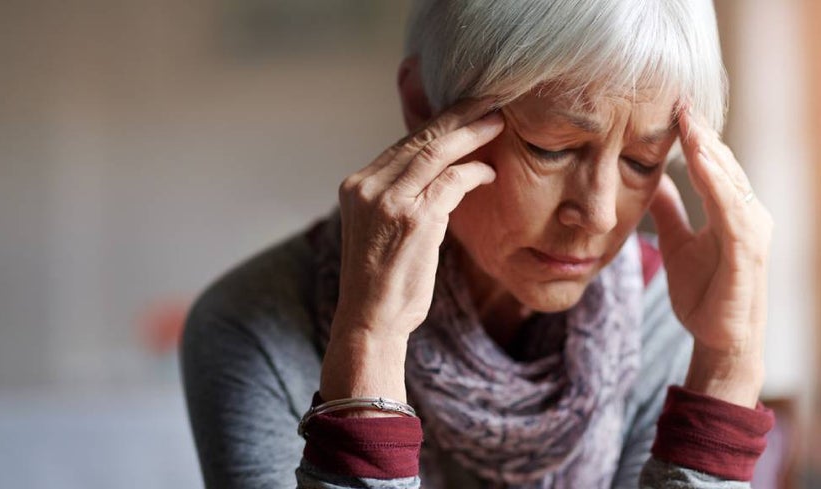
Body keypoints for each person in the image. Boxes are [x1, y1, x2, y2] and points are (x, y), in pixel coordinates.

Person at [181, 1, 776, 487]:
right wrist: (369, 343)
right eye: (551, 147)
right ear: (423, 105)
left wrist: (725, 366)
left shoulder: (663, 315)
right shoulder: (252, 326)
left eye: (644, 161)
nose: (595, 215)